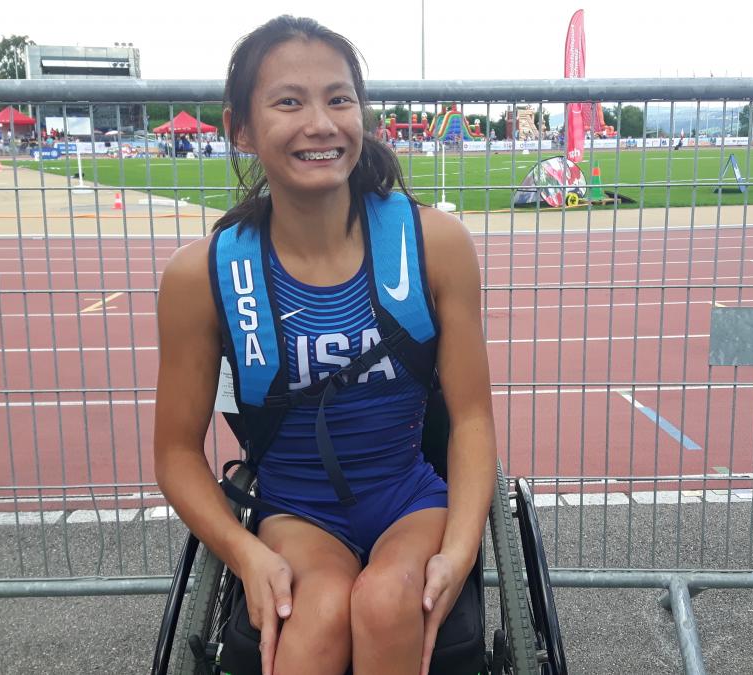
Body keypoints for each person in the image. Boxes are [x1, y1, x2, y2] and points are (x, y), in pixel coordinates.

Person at [153, 15, 496, 675]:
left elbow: (473, 416)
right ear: (241, 129)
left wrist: (459, 547)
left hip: (407, 499)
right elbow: (174, 452)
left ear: (361, 115)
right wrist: (245, 553)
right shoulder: (204, 276)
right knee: (315, 618)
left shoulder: (435, 245)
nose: (320, 122)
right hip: (294, 512)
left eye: (339, 99)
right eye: (289, 101)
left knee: (384, 603)